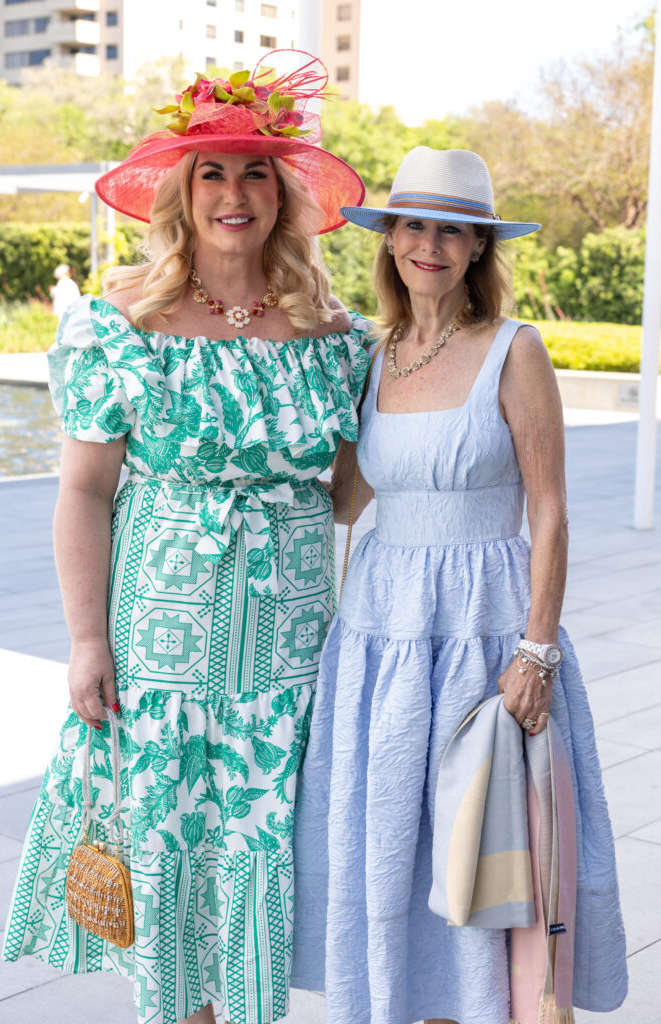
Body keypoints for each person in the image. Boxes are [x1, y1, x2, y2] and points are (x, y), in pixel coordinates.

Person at [2, 52, 370, 1024]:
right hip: (162, 650)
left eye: (256, 171)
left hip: (290, 654)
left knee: (267, 863)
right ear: (180, 191)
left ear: (285, 194)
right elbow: (82, 492)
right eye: (211, 171)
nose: (234, 192)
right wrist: (87, 638)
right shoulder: (120, 328)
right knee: (171, 868)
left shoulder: (334, 335)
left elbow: (348, 493)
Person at [291, 147, 628, 1024]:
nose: (429, 244)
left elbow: (549, 513)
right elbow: (345, 498)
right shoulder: (372, 357)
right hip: (378, 628)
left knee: (480, 841)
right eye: (414, 226)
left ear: (479, 248)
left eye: (453, 230)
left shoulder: (513, 350)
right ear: (389, 241)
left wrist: (535, 650)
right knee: (392, 840)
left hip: (485, 629)